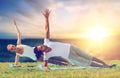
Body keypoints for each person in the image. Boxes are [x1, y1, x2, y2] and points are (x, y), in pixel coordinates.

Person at [33, 9, 116, 70]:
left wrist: (46, 18)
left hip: (71, 47)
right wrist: (47, 69)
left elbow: (47, 29)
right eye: (41, 48)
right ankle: (105, 67)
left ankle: (106, 64)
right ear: (42, 51)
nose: (42, 46)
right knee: (87, 62)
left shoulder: (47, 42)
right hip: (70, 56)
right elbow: (45, 65)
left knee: (89, 57)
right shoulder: (46, 56)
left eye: (40, 45)